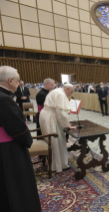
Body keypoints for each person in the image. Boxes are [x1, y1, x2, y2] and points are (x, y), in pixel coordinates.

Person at [0, 66, 41, 212]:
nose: (19, 84)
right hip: (10, 149)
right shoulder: (4, 99)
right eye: (17, 81)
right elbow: (17, 128)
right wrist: (28, 141)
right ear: (10, 80)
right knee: (16, 184)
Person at [39, 84, 77, 173]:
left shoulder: (57, 91)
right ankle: (59, 165)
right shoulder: (61, 94)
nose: (70, 95)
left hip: (47, 116)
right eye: (70, 92)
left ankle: (55, 163)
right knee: (57, 140)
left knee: (52, 140)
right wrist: (67, 125)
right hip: (51, 118)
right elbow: (61, 113)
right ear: (67, 88)